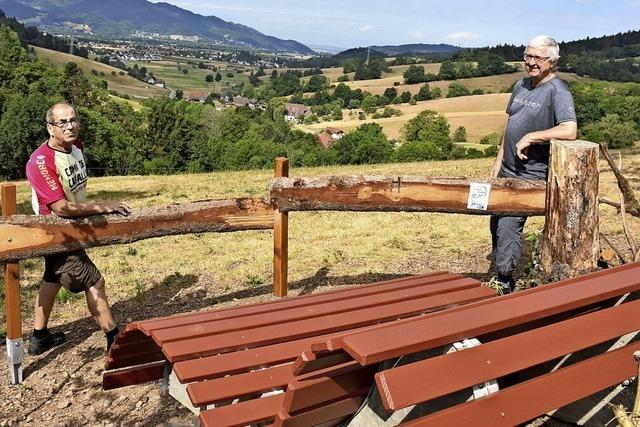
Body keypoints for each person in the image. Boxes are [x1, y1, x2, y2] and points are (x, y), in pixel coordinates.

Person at [25, 103, 132, 355]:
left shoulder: (76, 148)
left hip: (73, 228)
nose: (70, 126)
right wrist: (102, 207)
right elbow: (60, 208)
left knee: (52, 278)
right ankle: (114, 340)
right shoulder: (41, 161)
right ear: (50, 128)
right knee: (95, 281)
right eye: (62, 122)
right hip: (56, 232)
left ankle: (40, 337)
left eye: (73, 120)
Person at [489, 35, 577, 294]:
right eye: (528, 56)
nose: (531, 62)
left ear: (553, 61)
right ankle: (503, 268)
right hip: (507, 169)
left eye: (538, 57)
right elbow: (510, 125)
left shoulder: (558, 91)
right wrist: (497, 161)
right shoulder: (521, 85)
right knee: (495, 221)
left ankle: (505, 281)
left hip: (532, 173)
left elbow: (570, 130)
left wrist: (533, 136)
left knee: (508, 223)